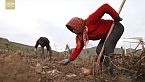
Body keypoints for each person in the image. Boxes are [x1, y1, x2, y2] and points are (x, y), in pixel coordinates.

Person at [60, 3, 124, 75]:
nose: (74, 31)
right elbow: (78, 48)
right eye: (72, 30)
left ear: (78, 25)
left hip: (116, 28)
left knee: (108, 48)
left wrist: (116, 17)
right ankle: (100, 69)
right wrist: (69, 59)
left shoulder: (90, 20)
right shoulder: (81, 36)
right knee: (99, 50)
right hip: (106, 35)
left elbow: (105, 7)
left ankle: (110, 72)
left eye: (74, 29)